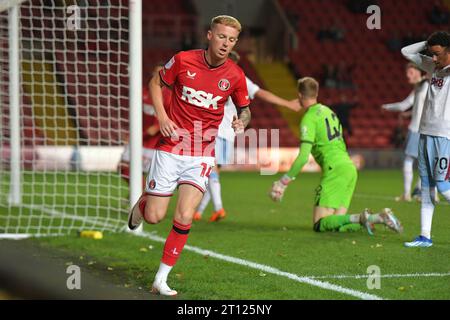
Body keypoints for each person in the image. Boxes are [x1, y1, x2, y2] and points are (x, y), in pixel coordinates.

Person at [128, 15, 251, 296]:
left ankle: (161, 278)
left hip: (202, 154)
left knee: (184, 215)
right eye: (221, 37)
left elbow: (245, 108)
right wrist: (161, 116)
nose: (225, 43)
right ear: (209, 35)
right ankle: (143, 203)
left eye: (231, 40)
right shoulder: (183, 60)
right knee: (155, 216)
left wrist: (242, 121)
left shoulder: (235, 75)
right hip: (171, 148)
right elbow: (155, 84)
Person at [269, 77, 403, 234]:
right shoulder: (329, 111)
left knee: (320, 224)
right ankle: (377, 219)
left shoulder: (309, 118)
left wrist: (283, 182)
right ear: (317, 93)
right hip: (348, 168)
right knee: (335, 225)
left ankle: (366, 218)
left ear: (299, 95)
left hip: (335, 170)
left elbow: (303, 157)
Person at [193, 50, 300, 222]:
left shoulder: (232, 76)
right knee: (211, 172)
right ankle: (200, 211)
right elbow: (260, 93)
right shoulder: (236, 77)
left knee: (209, 171)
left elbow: (260, 93)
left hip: (217, 131)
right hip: (227, 134)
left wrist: (286, 103)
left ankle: (218, 208)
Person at [401, 31, 450, 248]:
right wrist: (428, 44)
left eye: (438, 54)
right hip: (425, 132)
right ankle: (424, 236)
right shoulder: (433, 67)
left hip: (444, 136)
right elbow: (406, 52)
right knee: (427, 186)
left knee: (442, 184)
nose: (434, 58)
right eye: (432, 54)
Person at [381, 63, 429, 202]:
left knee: (408, 160)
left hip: (416, 129)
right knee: (425, 162)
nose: (408, 76)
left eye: (411, 72)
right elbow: (417, 107)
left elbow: (403, 105)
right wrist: (409, 114)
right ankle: (420, 192)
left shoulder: (424, 85)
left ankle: (407, 194)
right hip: (427, 129)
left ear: (419, 72)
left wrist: (386, 107)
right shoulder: (422, 86)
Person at [118, 66, 169, 188]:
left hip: (155, 143)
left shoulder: (169, 95)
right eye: (156, 72)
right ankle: (140, 194)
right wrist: (130, 133)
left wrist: (158, 126)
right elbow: (136, 114)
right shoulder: (144, 92)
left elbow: (172, 115)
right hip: (138, 138)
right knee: (123, 168)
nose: (159, 75)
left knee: (155, 177)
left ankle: (145, 198)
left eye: (161, 72)